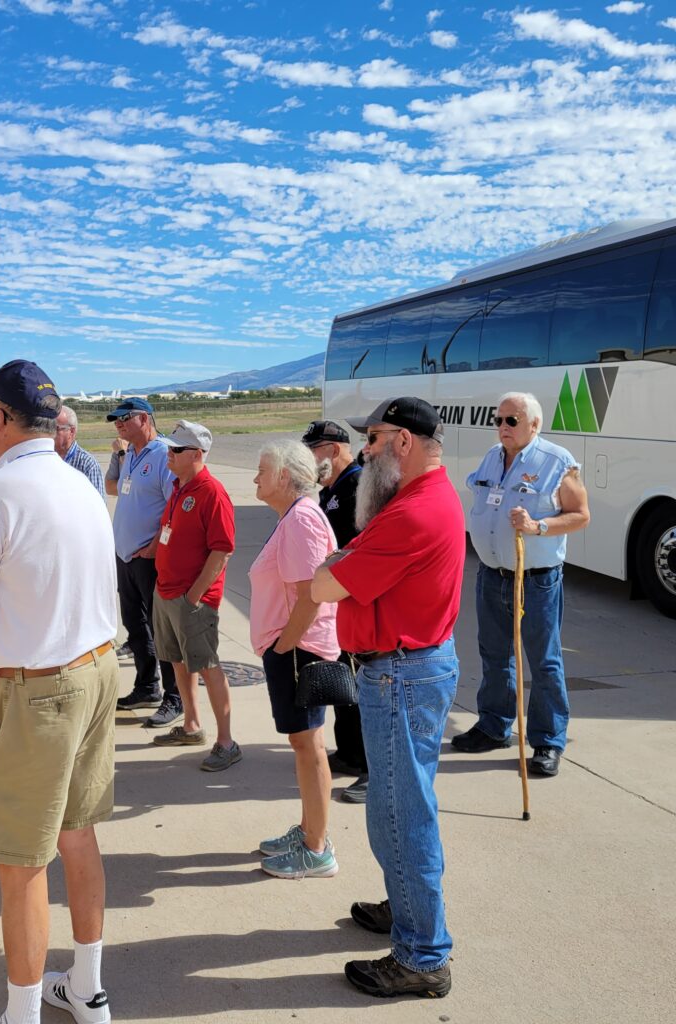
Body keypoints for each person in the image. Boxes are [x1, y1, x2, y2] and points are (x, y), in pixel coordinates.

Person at [0, 360, 119, 1024]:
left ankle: (22, 1016)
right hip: (96, 669)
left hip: (39, 686)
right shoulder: (80, 481)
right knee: (79, 834)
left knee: (20, 863)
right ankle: (88, 988)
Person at [312, 396, 464, 1000]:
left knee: (402, 813)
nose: (365, 450)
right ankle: (406, 908)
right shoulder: (416, 499)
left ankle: (423, 955)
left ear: (403, 442)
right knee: (395, 807)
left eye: (373, 439)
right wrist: (347, 560)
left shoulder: (412, 512)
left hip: (401, 674)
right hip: (406, 671)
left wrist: (340, 561)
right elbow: (344, 569)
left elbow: (326, 582)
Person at [451, 391, 590, 777]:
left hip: (535, 581)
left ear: (534, 424)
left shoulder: (557, 462)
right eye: (498, 420)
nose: (502, 427)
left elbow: (581, 515)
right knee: (494, 655)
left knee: (544, 661)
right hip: (492, 575)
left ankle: (548, 741)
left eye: (511, 420)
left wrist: (537, 526)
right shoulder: (491, 458)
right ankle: (494, 726)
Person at [250, 440, 339, 878]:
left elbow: (311, 595)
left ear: (284, 477)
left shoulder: (301, 519)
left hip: (298, 650)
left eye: (262, 470)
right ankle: (309, 831)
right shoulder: (294, 516)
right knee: (305, 743)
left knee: (308, 745)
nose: (256, 478)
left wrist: (284, 647)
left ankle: (316, 848)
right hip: (292, 646)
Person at [150, 420, 240, 772]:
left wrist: (194, 596)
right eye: (169, 448)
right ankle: (191, 725)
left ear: (197, 454)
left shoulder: (212, 492)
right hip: (167, 592)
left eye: (176, 450)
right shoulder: (178, 487)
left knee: (207, 665)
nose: (169, 454)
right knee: (178, 660)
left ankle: (226, 742)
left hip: (192, 600)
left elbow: (222, 550)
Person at [106, 397, 183, 728]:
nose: (118, 424)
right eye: (116, 419)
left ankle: (175, 696)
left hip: (147, 559)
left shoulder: (163, 454)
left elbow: (174, 508)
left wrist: (153, 547)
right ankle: (147, 687)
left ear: (144, 419)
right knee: (135, 625)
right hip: (126, 557)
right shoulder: (132, 454)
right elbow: (118, 489)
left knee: (162, 629)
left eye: (125, 418)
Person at [302, 419, 368, 804]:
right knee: (342, 680)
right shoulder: (331, 488)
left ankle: (369, 764)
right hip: (337, 597)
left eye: (314, 449)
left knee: (359, 684)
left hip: (353, 597)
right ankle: (350, 751)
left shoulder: (357, 485)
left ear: (333, 449)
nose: (310, 457)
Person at [55, 405, 106, 499]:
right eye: (47, 428)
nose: (50, 433)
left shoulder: (87, 464)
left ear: (72, 431)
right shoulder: (45, 459)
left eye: (56, 428)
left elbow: (98, 503)